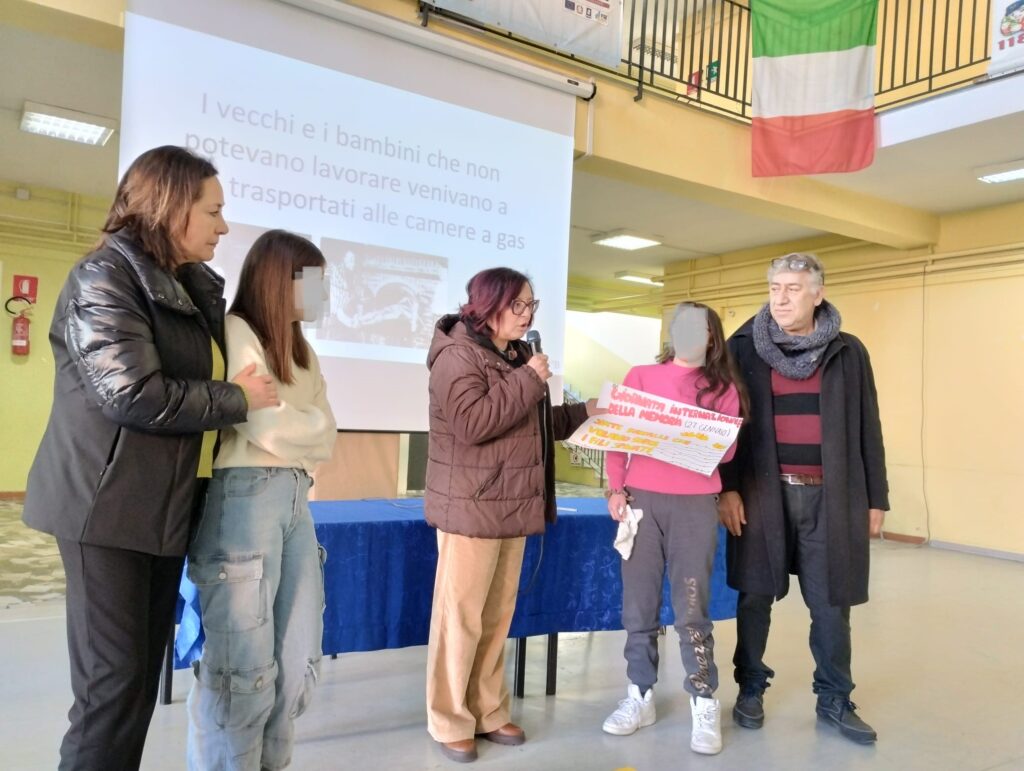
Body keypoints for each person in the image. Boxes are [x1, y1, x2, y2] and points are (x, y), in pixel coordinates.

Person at [21, 145, 278, 771]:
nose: (223, 227)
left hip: (162, 508)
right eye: (212, 211)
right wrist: (238, 398)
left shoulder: (184, 286)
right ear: (168, 207)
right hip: (104, 509)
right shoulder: (103, 277)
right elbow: (132, 394)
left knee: (136, 687)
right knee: (110, 690)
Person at [423, 267, 595, 763]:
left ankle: (488, 710)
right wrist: (530, 378)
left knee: (496, 618)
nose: (526, 315)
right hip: (471, 507)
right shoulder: (457, 355)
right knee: (460, 620)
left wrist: (585, 412)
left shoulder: (516, 356)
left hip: (512, 504)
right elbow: (474, 423)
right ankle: (449, 718)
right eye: (517, 305)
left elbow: (531, 422)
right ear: (487, 305)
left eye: (531, 305)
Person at [717, 252, 888, 745]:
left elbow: (868, 426)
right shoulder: (743, 347)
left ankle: (834, 697)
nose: (781, 298)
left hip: (832, 498)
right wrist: (727, 488)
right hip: (760, 494)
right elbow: (725, 424)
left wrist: (876, 497)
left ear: (818, 293)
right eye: (775, 288)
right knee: (754, 596)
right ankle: (750, 688)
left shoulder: (848, 352)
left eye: (793, 288)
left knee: (832, 601)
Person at [186, 230, 337, 771]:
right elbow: (263, 423)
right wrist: (302, 426)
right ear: (280, 280)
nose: (322, 293)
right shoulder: (236, 331)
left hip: (295, 497)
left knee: (296, 659)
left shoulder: (302, 350)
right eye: (313, 280)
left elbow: (326, 434)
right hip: (244, 499)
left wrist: (296, 426)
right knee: (242, 670)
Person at [601, 302, 747, 756]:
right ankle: (639, 694)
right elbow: (617, 437)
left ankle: (703, 700)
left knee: (691, 607)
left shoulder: (724, 388)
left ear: (711, 336)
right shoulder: (641, 377)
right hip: (642, 502)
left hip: (695, 506)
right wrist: (616, 487)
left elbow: (725, 454)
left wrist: (693, 431)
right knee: (639, 604)